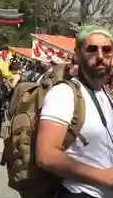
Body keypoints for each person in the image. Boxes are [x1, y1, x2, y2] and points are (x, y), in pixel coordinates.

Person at [37, 25, 113, 198]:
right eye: (92, 49)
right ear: (77, 55)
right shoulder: (63, 93)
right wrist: (103, 176)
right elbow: (46, 155)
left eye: (107, 49)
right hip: (79, 192)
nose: (100, 56)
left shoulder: (106, 95)